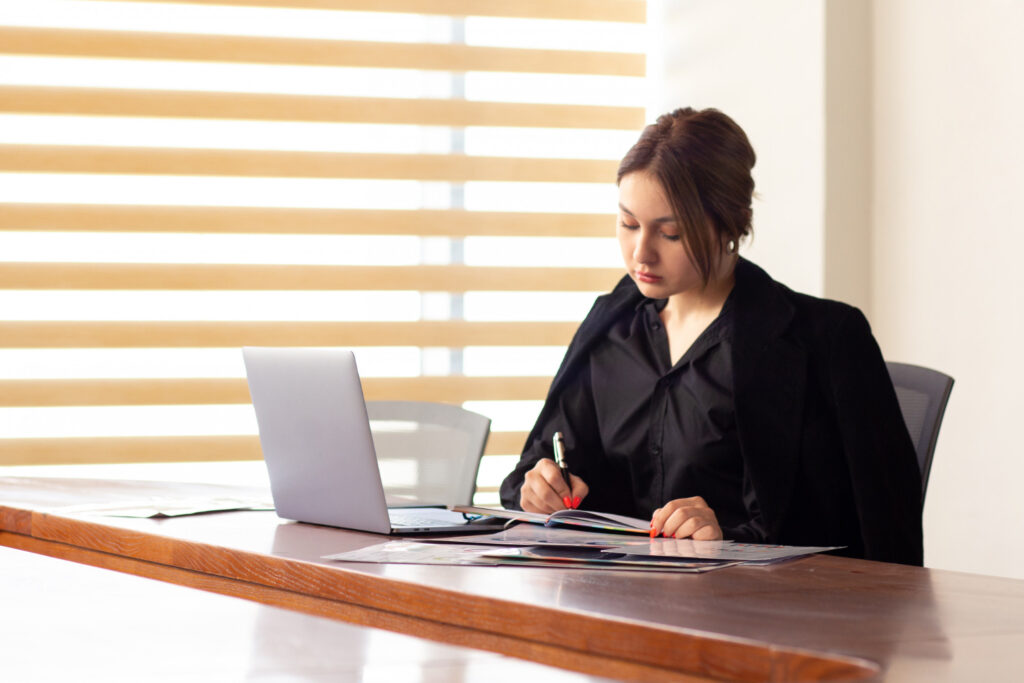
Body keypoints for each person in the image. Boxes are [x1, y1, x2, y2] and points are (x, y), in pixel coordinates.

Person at [499, 107, 923, 566]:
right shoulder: (611, 326)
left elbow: (873, 536)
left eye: (672, 233)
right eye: (628, 224)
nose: (642, 252)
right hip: (616, 602)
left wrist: (726, 535)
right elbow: (547, 460)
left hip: (761, 615)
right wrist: (540, 487)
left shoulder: (826, 339)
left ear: (730, 224)